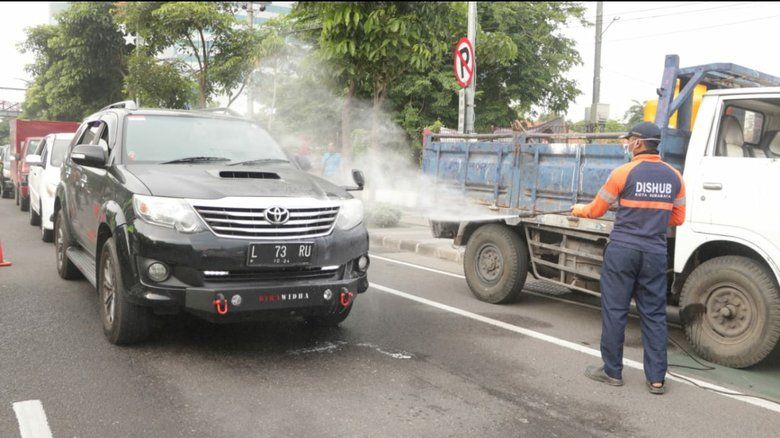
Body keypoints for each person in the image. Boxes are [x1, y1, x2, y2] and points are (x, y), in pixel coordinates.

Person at [571, 122, 686, 395]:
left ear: (638, 143)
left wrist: (578, 210)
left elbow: (597, 210)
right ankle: (656, 379)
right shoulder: (675, 176)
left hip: (623, 251)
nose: (627, 143)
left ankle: (612, 372)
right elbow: (678, 218)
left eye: (629, 139)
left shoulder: (623, 173)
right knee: (655, 314)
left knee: (615, 311)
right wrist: (652, 219)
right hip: (655, 254)